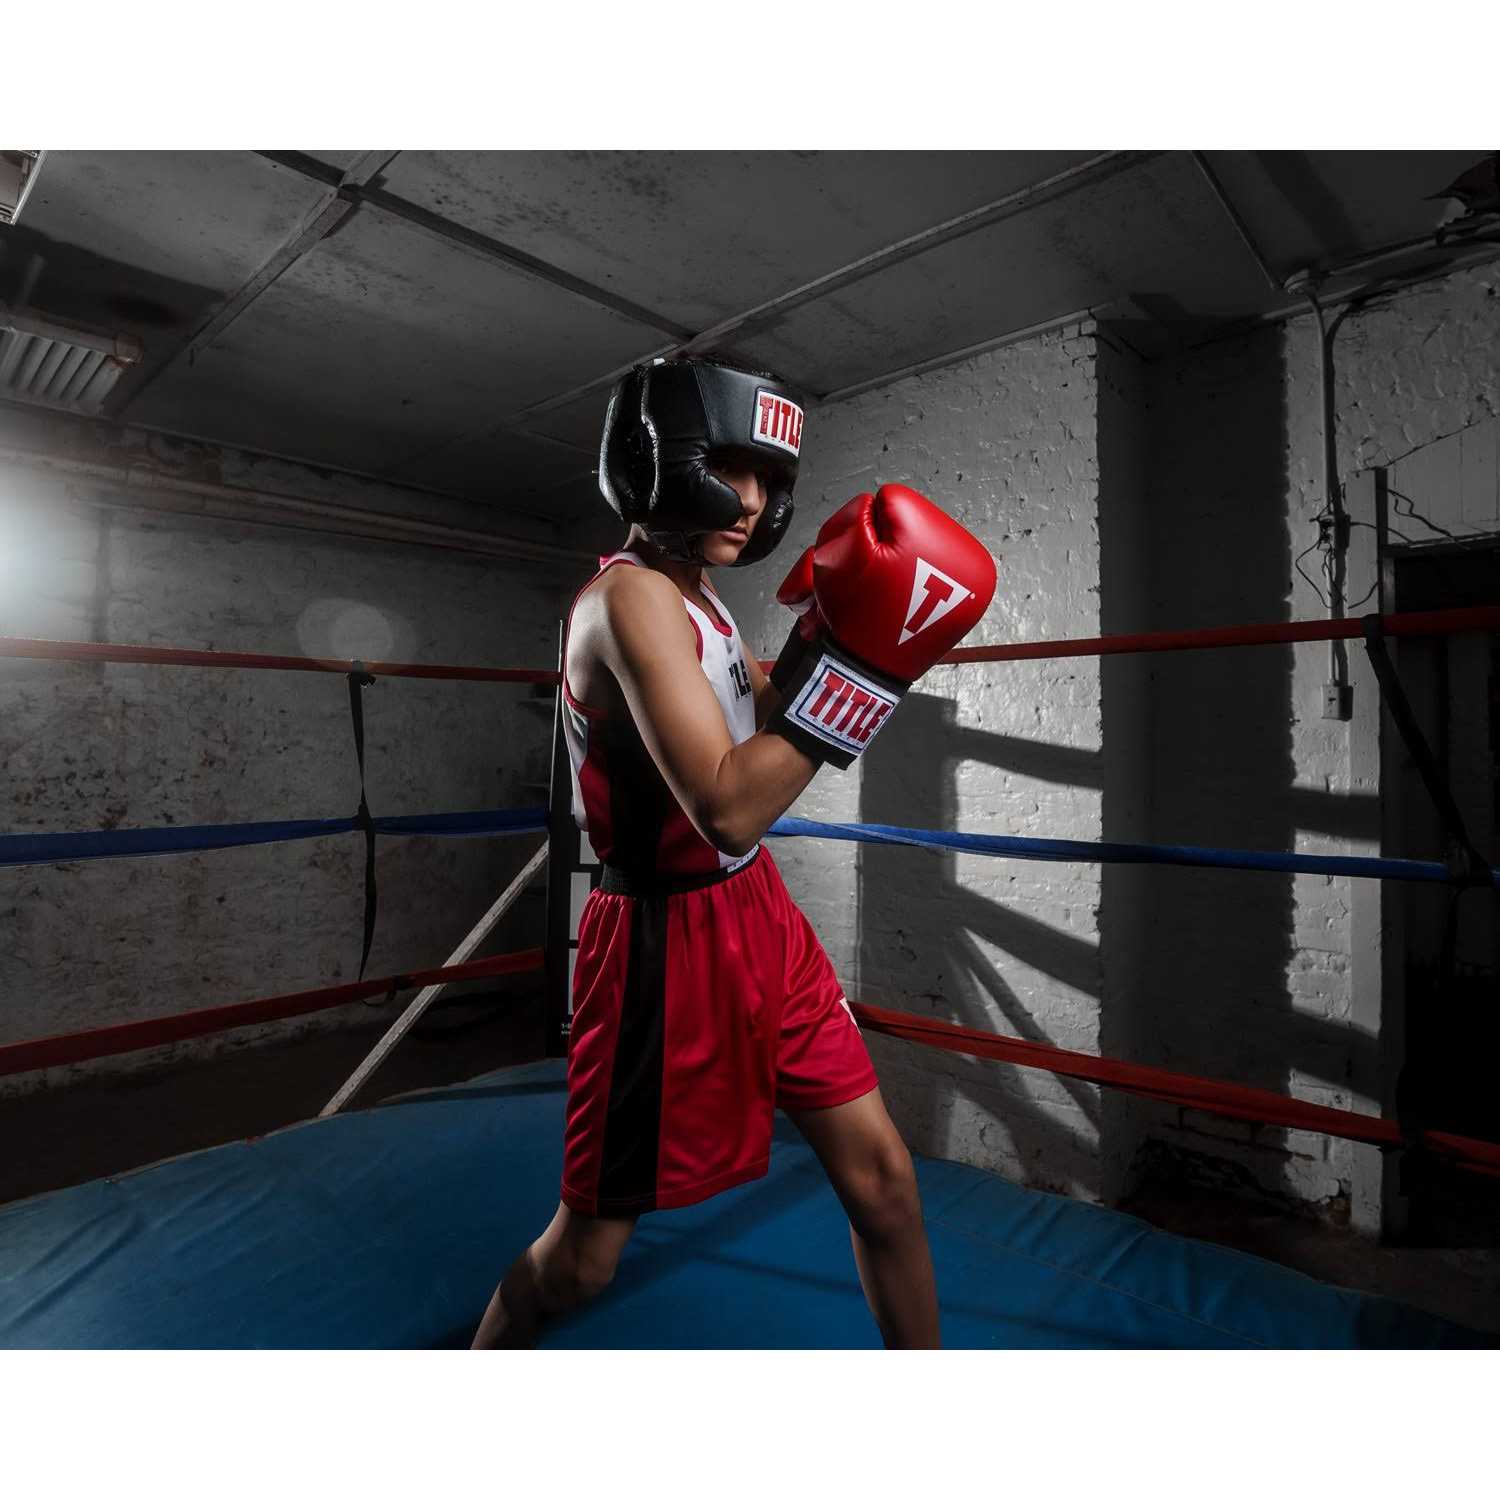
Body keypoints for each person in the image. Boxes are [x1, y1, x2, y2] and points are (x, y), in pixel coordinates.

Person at [471, 355, 996, 1349]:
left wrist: (827, 640)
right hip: (665, 941)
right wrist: (865, 673)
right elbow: (727, 806)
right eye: (728, 466)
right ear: (653, 456)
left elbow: (763, 723)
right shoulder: (626, 602)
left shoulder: (702, 602)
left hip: (759, 920)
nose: (752, 502)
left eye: (768, 479)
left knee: (884, 1182)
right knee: (584, 1259)